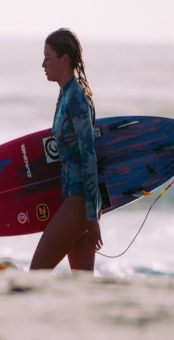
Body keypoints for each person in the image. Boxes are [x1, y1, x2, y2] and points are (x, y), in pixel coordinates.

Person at [30, 28, 102, 271]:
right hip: (72, 199)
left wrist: (92, 216)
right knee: (82, 283)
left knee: (37, 271)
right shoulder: (65, 95)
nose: (43, 64)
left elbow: (89, 156)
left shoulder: (77, 98)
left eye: (48, 57)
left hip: (79, 201)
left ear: (64, 59)